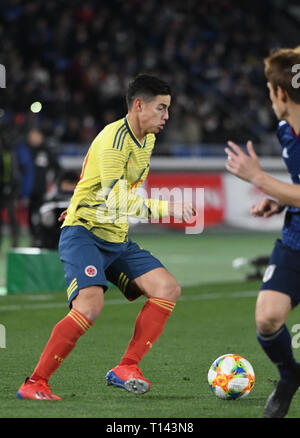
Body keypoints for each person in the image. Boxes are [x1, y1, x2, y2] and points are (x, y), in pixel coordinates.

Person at [17, 74, 195, 401]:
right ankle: (35, 382)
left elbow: (107, 185)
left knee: (167, 288)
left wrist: (84, 201)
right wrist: (165, 208)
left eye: (168, 109)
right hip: (85, 233)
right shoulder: (115, 140)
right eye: (161, 108)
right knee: (90, 305)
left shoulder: (147, 139)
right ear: (139, 105)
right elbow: (115, 198)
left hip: (115, 236)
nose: (167, 116)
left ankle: (126, 367)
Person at [225, 46, 300, 418]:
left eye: (270, 90)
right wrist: (281, 200)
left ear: (279, 93)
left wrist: (259, 179)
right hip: (296, 239)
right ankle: (290, 376)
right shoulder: (287, 131)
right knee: (268, 318)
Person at [16, 129, 61, 246]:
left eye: (36, 136)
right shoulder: (25, 151)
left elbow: (57, 168)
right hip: (28, 191)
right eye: (32, 136)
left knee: (43, 214)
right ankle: (33, 237)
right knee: (30, 215)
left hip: (42, 191)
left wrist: (51, 183)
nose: (34, 138)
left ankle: (41, 238)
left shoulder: (46, 151)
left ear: (41, 137)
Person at [38, 171, 79, 249]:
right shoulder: (52, 197)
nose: (69, 187)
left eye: (72, 184)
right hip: (54, 230)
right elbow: (43, 210)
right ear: (61, 184)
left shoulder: (81, 199)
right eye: (67, 184)